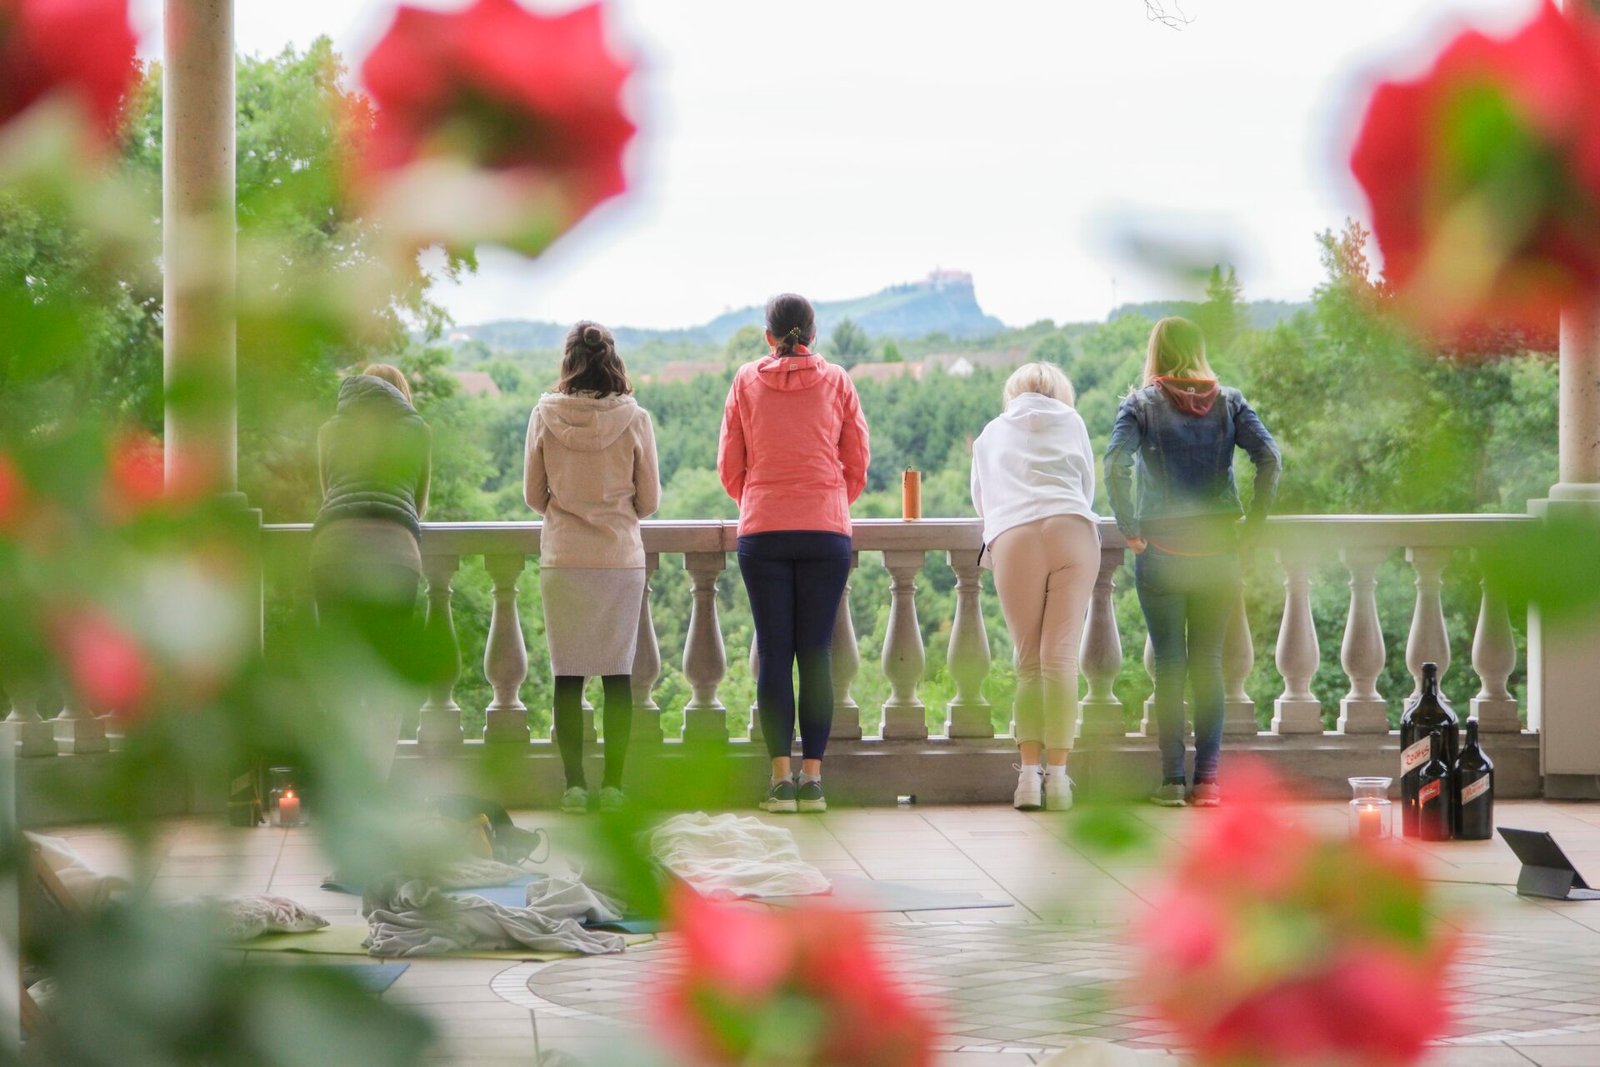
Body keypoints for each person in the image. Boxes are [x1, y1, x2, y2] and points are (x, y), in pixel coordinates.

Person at [1104, 317, 1281, 808]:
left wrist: (1130, 527)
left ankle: (1171, 783)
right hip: (1219, 552)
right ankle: (1208, 782)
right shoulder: (1230, 401)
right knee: (1207, 667)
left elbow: (1115, 461)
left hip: (1161, 551)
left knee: (1170, 668)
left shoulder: (1139, 405)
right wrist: (1254, 527)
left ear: (1155, 352)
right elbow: (1269, 456)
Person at [718, 293, 869, 814]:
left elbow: (728, 465)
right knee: (817, 654)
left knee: (776, 655)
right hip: (825, 529)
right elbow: (858, 462)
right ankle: (814, 780)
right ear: (813, 333)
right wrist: (826, 501)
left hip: (763, 529)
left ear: (769, 335)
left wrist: (761, 498)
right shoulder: (838, 381)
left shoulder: (744, 380)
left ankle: (780, 782)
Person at [525, 322, 660, 815]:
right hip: (618, 559)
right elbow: (650, 500)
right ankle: (615, 787)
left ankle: (574, 786)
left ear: (568, 361)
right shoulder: (635, 418)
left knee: (567, 676)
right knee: (617, 676)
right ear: (613, 360)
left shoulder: (543, 415)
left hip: (563, 558)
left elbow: (532, 495)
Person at [970, 363, 1099, 812]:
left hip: (1016, 535)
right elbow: (1087, 486)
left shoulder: (990, 433)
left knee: (1028, 664)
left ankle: (1027, 779)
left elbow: (981, 499)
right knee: (1059, 661)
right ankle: (1060, 782)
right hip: (1071, 528)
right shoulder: (1074, 421)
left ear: (1013, 393)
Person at [311, 362, 432, 782]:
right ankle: (375, 784)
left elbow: (330, 494)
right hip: (395, 553)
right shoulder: (417, 431)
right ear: (402, 394)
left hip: (334, 551)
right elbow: (418, 506)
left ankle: (339, 784)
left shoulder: (331, 430)